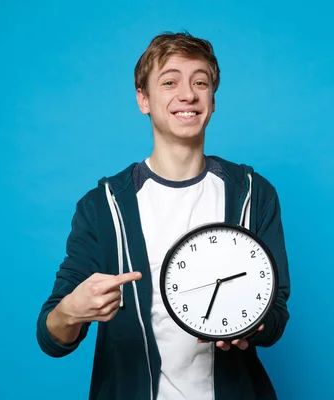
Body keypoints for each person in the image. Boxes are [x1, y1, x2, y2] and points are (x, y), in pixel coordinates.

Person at [36, 31, 291, 400]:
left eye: (200, 81)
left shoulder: (252, 193)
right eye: (169, 82)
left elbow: (277, 316)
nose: (187, 94)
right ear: (144, 99)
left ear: (213, 100)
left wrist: (251, 326)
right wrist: (73, 310)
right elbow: (51, 338)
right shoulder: (103, 206)